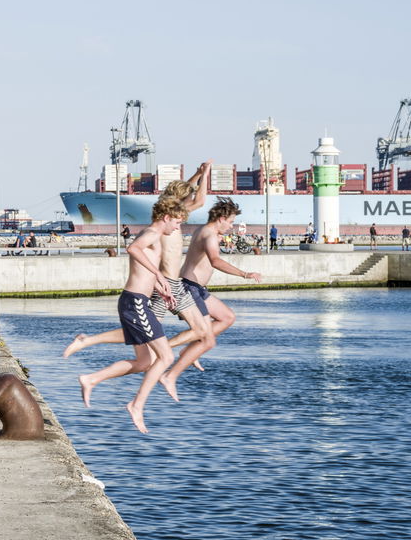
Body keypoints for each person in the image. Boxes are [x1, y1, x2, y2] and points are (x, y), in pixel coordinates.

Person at [64, 164, 214, 383]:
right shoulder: (168, 220)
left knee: (152, 334)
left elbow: (186, 191)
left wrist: (198, 175)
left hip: (170, 284)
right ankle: (161, 350)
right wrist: (206, 174)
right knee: (190, 331)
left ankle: (94, 341)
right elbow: (199, 200)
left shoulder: (172, 217)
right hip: (168, 283)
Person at [76, 196, 185, 434]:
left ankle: (91, 379)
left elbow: (140, 271)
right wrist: (160, 275)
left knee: (145, 362)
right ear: (166, 218)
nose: (178, 228)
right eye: (177, 222)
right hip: (135, 303)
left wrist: (160, 289)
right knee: (165, 358)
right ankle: (136, 405)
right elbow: (132, 249)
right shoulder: (153, 233)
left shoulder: (153, 235)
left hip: (137, 301)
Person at [171, 198, 263, 357]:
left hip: (196, 288)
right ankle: (163, 347)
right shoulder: (209, 235)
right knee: (204, 334)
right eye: (230, 222)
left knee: (227, 317)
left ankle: (190, 349)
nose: (231, 226)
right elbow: (215, 261)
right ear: (221, 219)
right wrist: (245, 274)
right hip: (189, 287)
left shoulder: (204, 230)